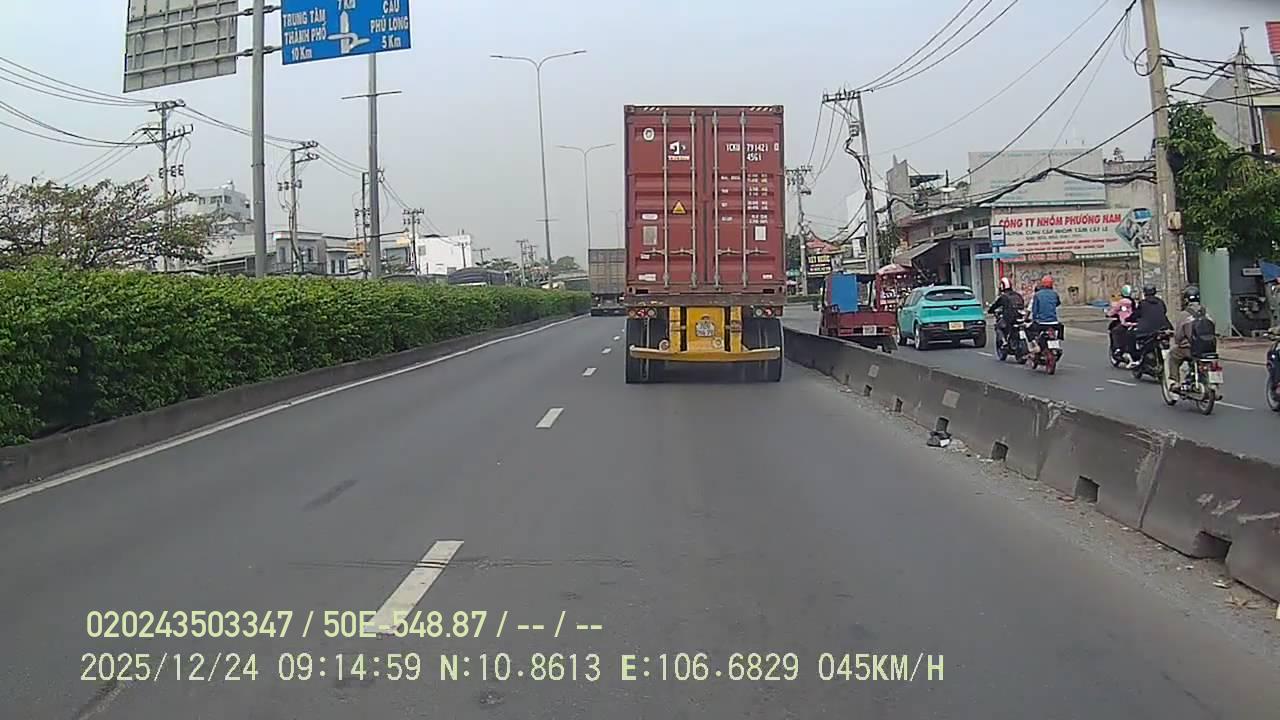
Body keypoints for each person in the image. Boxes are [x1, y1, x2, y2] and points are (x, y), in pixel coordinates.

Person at [1166, 285, 1217, 390]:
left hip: (1191, 349)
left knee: (1173, 354)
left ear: (1186, 300)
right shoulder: (1207, 313)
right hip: (1209, 348)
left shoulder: (1184, 315)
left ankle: (1175, 382)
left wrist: (1180, 342)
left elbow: (1178, 336)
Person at [1130, 284, 1172, 365]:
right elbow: (1164, 311)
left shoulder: (1142, 303)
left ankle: (1136, 358)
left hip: (1147, 331)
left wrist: (1129, 319)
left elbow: (1136, 314)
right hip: (1162, 328)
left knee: (1131, 336)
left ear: (1145, 293)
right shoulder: (1160, 302)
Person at [987, 277, 1025, 351]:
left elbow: (995, 305)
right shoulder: (1018, 295)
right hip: (1020, 317)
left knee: (998, 327)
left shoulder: (1003, 297)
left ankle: (1004, 342)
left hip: (1009, 318)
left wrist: (990, 310)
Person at [1029, 275, 1061, 352]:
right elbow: (1058, 303)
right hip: (1054, 322)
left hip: (1042, 322)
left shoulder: (1037, 295)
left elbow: (1034, 310)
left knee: (1029, 330)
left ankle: (1035, 345)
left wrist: (1034, 319)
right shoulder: (1055, 294)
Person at [1105, 285, 1137, 365]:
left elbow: (1114, 310)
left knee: (1115, 331)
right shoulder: (1133, 302)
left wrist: (1108, 314)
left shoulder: (1123, 302)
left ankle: (1118, 349)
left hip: (1126, 322)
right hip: (1135, 322)